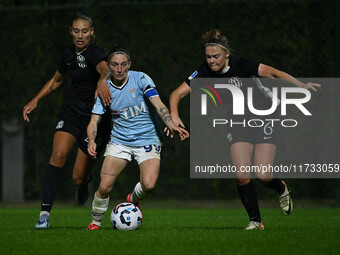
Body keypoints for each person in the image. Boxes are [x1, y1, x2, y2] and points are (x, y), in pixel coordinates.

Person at [168, 29, 321, 230]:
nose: (212, 61)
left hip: (264, 116)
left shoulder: (242, 64)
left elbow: (273, 73)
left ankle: (281, 188)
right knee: (242, 175)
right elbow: (177, 94)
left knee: (263, 174)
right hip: (237, 122)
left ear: (227, 54)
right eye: (208, 57)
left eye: (216, 56)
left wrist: (300, 85)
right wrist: (174, 115)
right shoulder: (203, 71)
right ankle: (256, 221)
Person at [23, 12, 113, 229]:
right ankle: (44, 214)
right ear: (70, 32)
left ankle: (84, 183)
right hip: (71, 111)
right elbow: (56, 80)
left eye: (84, 31)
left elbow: (106, 69)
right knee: (58, 154)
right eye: (76, 31)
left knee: (78, 178)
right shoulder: (68, 54)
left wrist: (102, 81)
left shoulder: (94, 52)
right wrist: (35, 99)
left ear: (91, 32)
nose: (80, 35)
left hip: (95, 118)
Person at [85, 45, 189, 230]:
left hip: (147, 140)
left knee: (148, 185)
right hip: (119, 142)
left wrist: (169, 123)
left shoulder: (140, 78)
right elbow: (94, 121)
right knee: (104, 187)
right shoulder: (105, 89)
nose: (119, 69)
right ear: (109, 66)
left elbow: (158, 104)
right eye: (115, 65)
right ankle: (95, 223)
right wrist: (91, 140)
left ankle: (132, 199)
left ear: (129, 64)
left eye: (123, 64)